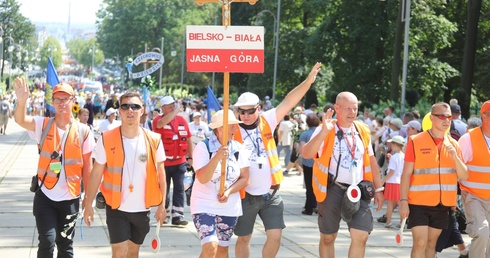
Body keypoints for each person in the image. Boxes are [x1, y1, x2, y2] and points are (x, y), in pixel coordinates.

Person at [233, 62, 322, 258]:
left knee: (275, 235)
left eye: (250, 111)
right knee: (243, 238)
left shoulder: (267, 119)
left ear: (258, 108)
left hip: (270, 192)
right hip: (244, 194)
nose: (246, 115)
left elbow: (289, 101)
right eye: (242, 111)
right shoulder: (232, 128)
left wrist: (308, 81)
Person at [13, 78, 95, 258]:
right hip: (45, 196)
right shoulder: (43, 124)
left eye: (65, 99)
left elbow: (88, 170)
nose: (61, 103)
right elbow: (20, 119)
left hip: (70, 199)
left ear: (73, 101)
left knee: (65, 246)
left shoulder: (84, 132)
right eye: (57, 99)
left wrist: (88, 202)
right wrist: (22, 101)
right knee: (47, 242)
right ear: (52, 102)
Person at [83, 91, 167, 257]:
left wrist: (162, 205)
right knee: (119, 252)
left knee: (133, 252)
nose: (130, 110)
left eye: (135, 106)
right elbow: (96, 173)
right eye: (125, 106)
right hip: (116, 208)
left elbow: (161, 175)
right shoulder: (107, 138)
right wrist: (88, 204)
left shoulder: (154, 139)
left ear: (142, 110)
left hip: (142, 208)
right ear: (119, 111)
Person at [302, 91, 384, 258]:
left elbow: (372, 160)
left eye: (355, 108)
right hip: (333, 189)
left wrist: (379, 188)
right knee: (328, 237)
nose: (352, 113)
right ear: (336, 108)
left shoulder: (363, 130)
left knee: (361, 235)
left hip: (358, 190)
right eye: (348, 109)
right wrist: (323, 132)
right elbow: (306, 153)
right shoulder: (325, 129)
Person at [399, 102, 468, 258]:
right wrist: (403, 201)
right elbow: (406, 174)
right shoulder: (415, 141)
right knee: (420, 243)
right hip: (418, 203)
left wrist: (455, 158)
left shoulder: (454, 145)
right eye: (442, 116)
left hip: (442, 205)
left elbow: (464, 175)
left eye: (449, 116)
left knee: (431, 245)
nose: (446, 120)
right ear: (431, 118)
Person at [191, 110, 250, 258]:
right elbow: (202, 178)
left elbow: (245, 178)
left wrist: (229, 191)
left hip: (229, 206)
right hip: (204, 204)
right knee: (211, 246)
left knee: (222, 250)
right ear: (220, 128)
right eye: (232, 126)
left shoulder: (238, 148)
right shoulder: (203, 147)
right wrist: (217, 157)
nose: (235, 129)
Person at [153, 96, 194, 226]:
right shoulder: (157, 120)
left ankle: (178, 216)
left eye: (173, 106)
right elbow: (160, 125)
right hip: (163, 163)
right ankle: (163, 214)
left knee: (179, 189)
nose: (172, 108)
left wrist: (191, 157)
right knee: (163, 189)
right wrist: (176, 111)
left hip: (180, 161)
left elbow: (188, 139)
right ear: (162, 108)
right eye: (169, 106)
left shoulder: (182, 120)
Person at [458, 100, 490, 258]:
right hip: (473, 196)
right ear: (484, 117)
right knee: (482, 233)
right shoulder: (468, 139)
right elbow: (455, 168)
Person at [380, 135, 405, 228]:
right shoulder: (404, 156)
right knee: (397, 202)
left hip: (392, 182)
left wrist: (383, 180)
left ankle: (390, 222)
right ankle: (399, 222)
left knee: (393, 202)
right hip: (400, 181)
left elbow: (391, 172)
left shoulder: (394, 157)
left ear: (395, 145)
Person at [299, 113, 320, 215]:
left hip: (308, 163)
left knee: (309, 186)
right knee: (319, 185)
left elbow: (302, 150)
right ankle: (318, 205)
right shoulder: (321, 133)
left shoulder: (305, 134)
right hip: (320, 163)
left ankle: (309, 207)